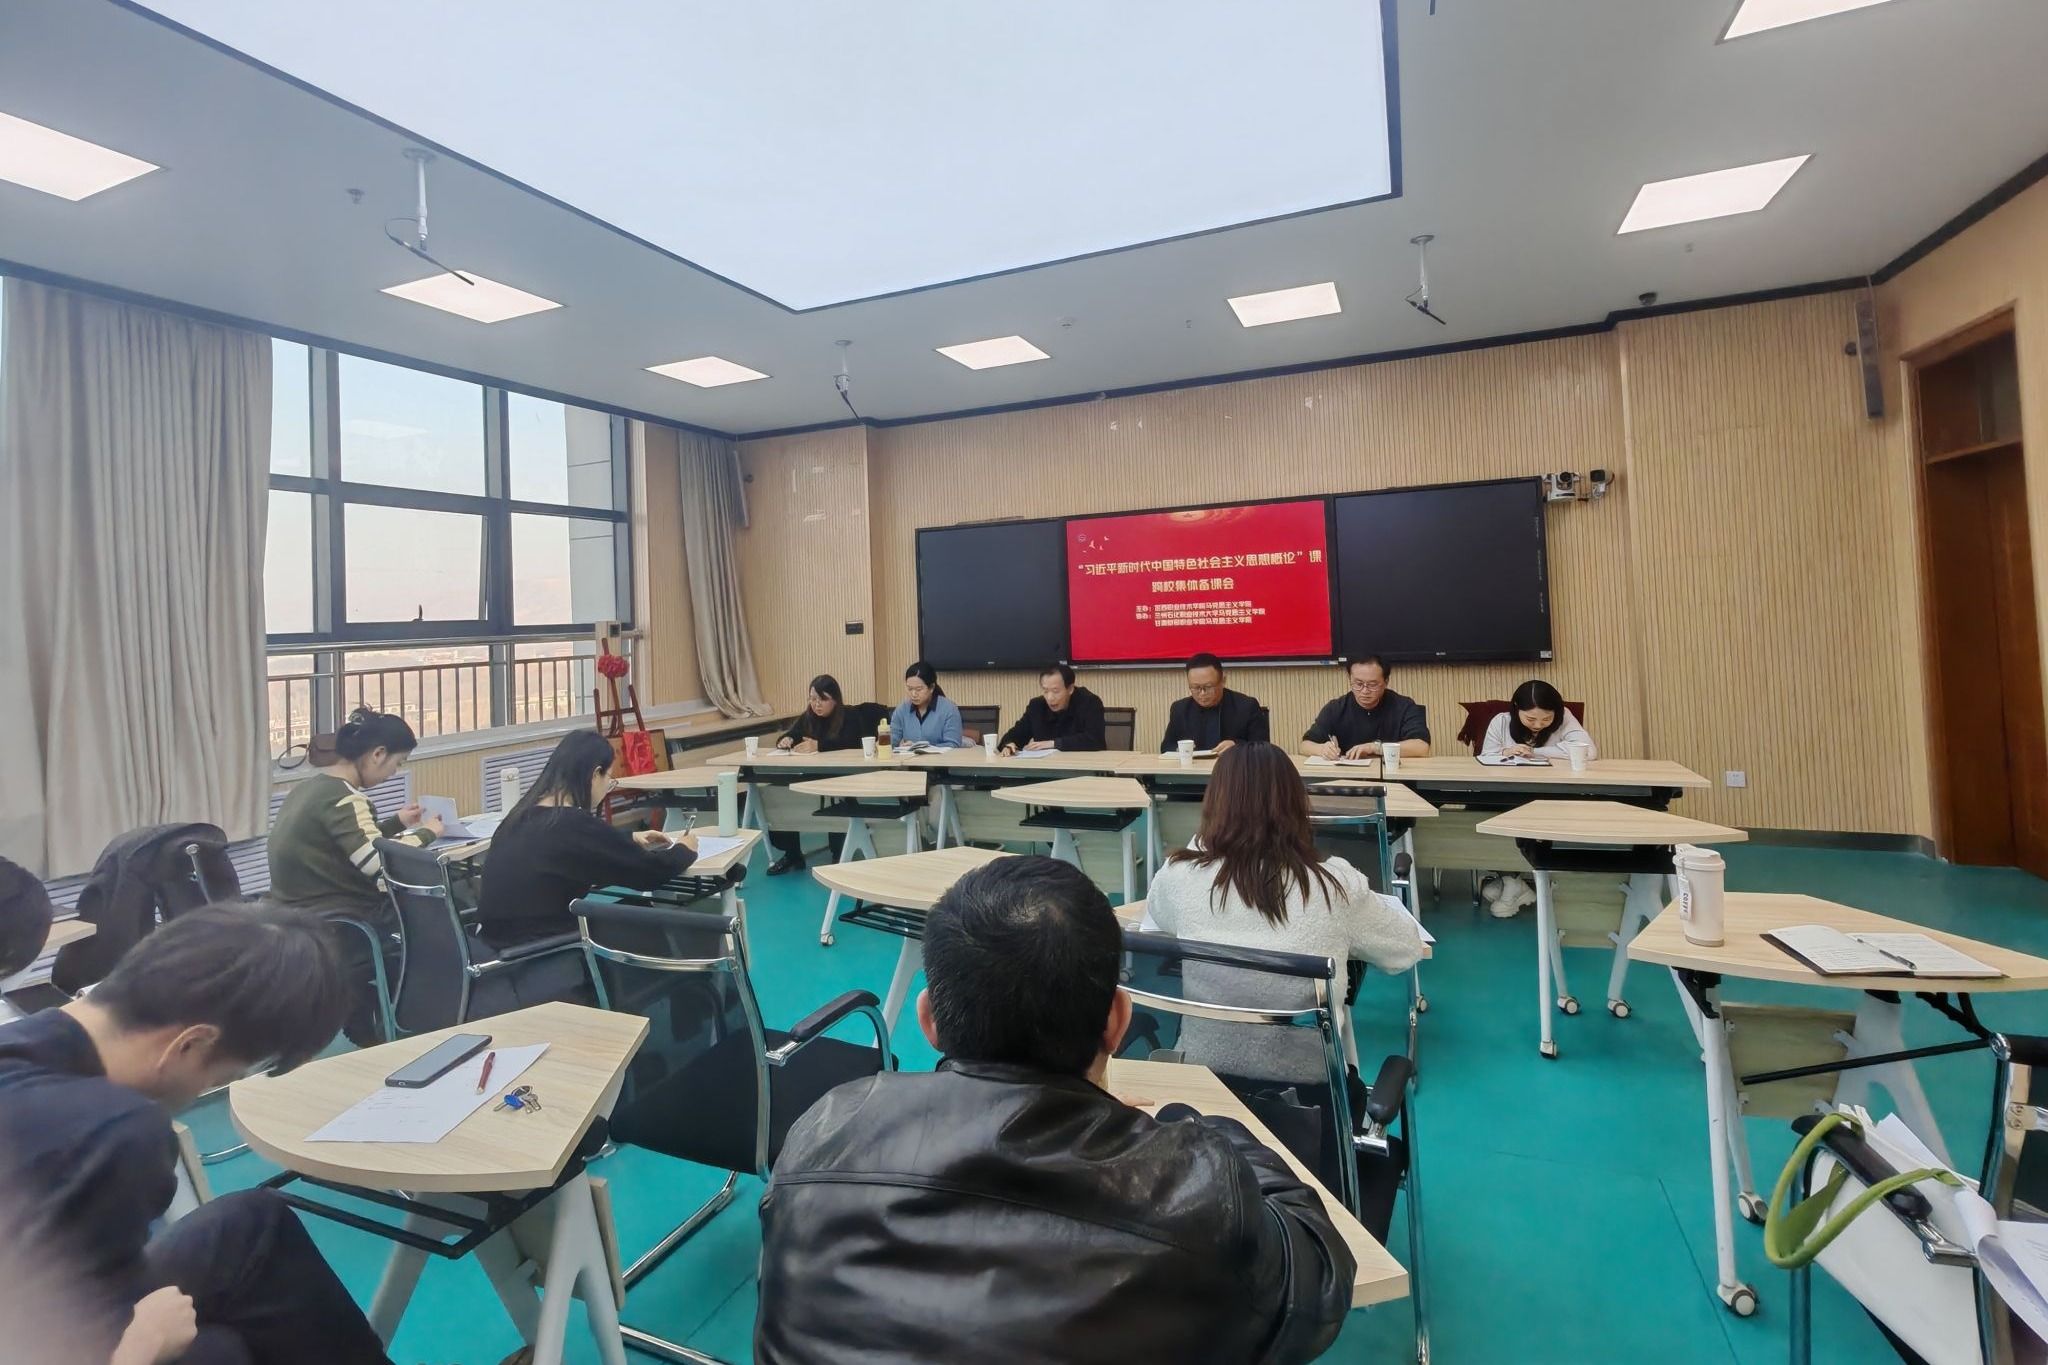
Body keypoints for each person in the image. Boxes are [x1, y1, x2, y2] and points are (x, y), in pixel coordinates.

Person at [756, 856, 1354, 1364]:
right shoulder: (1198, 1189)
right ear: (1117, 1021)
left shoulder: (822, 1132)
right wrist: (1193, 1124)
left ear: (929, 1021)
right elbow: (1319, 1278)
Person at [0, 905, 394, 1365]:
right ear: (190, 1044)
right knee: (221, 1350)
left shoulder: (22, 1042)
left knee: (252, 1226)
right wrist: (142, 1347)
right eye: (220, 1077)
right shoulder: (112, 1134)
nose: (201, 1092)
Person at [1146, 741, 1427, 1083]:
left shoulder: (1179, 877)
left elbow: (1158, 913)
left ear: (1213, 804)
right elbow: (1405, 949)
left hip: (1203, 1084)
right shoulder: (1334, 885)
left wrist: (1206, 841)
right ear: (1296, 804)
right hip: (1312, 1092)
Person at [268, 706, 440, 1041]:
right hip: (340, 919)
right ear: (378, 754)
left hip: (295, 911)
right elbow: (376, 862)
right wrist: (428, 833)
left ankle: (370, 1011)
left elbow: (349, 844)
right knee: (436, 913)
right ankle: (420, 1018)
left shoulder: (312, 788)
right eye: (397, 763)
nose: (394, 772)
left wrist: (397, 823)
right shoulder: (346, 799)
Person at [475, 730, 699, 947]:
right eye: (609, 779)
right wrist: (684, 849)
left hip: (495, 947)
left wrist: (628, 838)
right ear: (595, 774)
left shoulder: (521, 816)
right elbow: (650, 873)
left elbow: (570, 849)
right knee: (640, 915)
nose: (608, 788)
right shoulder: (572, 824)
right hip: (543, 949)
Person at [1479, 680, 1597, 918]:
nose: (1538, 725)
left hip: (1552, 794)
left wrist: (1534, 751)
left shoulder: (1565, 718)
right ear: (1516, 709)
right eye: (1530, 719)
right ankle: (1511, 879)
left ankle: (1512, 881)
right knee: (1488, 812)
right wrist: (1505, 751)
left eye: (1546, 719)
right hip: (1508, 792)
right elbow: (1485, 756)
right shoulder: (1501, 722)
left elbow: (1589, 751)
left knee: (1531, 814)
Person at [767, 676, 889, 875]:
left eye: (822, 699)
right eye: (812, 699)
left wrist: (820, 745)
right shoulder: (808, 717)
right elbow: (793, 734)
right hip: (814, 774)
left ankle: (839, 852)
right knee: (782, 796)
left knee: (837, 796)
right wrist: (786, 739)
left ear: (835, 699)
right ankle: (792, 853)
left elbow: (851, 742)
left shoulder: (849, 715)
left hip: (844, 776)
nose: (816, 704)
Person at [1300, 656, 1431, 760]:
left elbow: (1422, 747)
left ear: (1385, 682)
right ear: (1350, 679)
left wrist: (1375, 748)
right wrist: (1322, 749)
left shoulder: (1404, 706)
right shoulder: (1336, 708)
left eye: (1372, 685)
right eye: (1358, 684)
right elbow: (1305, 745)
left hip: (1395, 779)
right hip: (1350, 779)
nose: (1364, 691)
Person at [1158, 652, 1269, 754]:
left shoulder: (1246, 706)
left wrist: (1237, 746)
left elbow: (1264, 747)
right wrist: (1181, 750)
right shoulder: (1180, 709)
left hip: (1233, 767)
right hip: (1194, 767)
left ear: (1223, 681)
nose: (1202, 693)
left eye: (1208, 687)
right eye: (1195, 687)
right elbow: (1166, 747)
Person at [996, 664, 1107, 754]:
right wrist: (1009, 744)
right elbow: (1015, 734)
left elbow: (1095, 740)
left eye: (1055, 691)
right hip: (1047, 768)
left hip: (1081, 766)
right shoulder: (1037, 706)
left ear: (1070, 689)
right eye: (1045, 691)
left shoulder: (1089, 702)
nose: (1049, 698)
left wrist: (1053, 744)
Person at [888, 661, 964, 748]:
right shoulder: (902, 709)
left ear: (931, 688)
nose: (913, 694)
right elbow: (891, 740)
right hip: (909, 757)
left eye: (919, 689)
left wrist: (921, 747)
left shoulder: (949, 709)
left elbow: (953, 744)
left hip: (942, 757)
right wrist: (882, 743)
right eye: (910, 689)